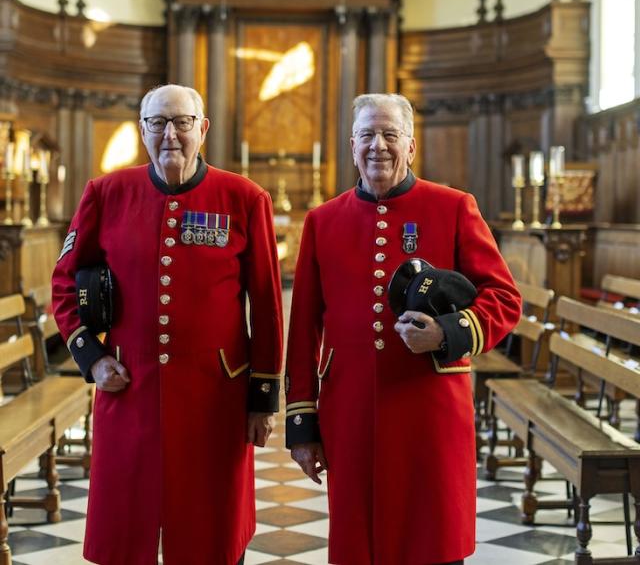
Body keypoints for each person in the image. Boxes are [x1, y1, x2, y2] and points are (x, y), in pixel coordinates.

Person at [285, 92, 521, 565]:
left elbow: (505, 299)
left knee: (432, 539)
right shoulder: (322, 221)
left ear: (411, 146)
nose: (378, 146)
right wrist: (302, 427)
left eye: (390, 135)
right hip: (349, 414)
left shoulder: (453, 207)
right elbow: (304, 328)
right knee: (358, 543)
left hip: (429, 412)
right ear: (352, 145)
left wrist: (446, 334)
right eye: (367, 135)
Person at [52, 84, 283, 565]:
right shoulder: (106, 193)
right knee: (125, 530)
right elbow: (64, 281)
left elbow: (266, 304)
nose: (170, 134)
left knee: (212, 531)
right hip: (128, 390)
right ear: (142, 130)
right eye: (157, 123)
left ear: (203, 128)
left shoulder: (244, 198)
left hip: (216, 398)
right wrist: (91, 359)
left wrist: (262, 399)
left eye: (181, 122)